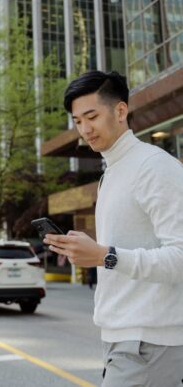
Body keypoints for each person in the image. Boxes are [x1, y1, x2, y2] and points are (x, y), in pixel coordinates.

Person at [43, 71, 183, 387]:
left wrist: (105, 255)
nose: (85, 129)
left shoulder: (153, 167)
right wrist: (88, 251)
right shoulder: (113, 172)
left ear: (120, 111)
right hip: (123, 338)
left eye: (91, 116)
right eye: (78, 121)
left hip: (149, 340)